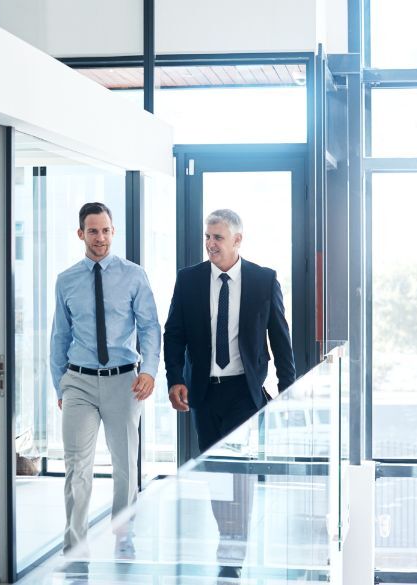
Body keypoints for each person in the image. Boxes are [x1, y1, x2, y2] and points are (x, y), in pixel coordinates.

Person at [163, 208, 296, 577]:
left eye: (218, 237)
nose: (210, 244)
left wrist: (288, 392)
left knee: (241, 472)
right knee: (215, 471)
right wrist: (175, 379)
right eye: (207, 236)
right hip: (204, 392)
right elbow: (174, 334)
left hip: (244, 392)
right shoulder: (188, 280)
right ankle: (228, 534)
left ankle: (233, 547)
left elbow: (281, 342)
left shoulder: (263, 280)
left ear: (237, 240)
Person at [50, 202, 161, 556]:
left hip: (123, 382)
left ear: (114, 232)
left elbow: (149, 327)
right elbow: (59, 336)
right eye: (93, 231)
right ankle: (75, 546)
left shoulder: (134, 275)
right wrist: (60, 384)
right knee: (76, 467)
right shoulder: (66, 280)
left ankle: (122, 536)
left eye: (106, 230)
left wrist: (149, 370)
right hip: (78, 382)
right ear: (81, 234)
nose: (100, 237)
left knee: (125, 464)